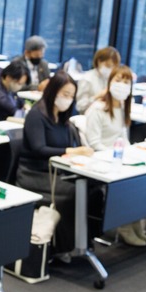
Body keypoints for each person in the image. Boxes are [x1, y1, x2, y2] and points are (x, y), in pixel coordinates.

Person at [17, 72, 93, 251]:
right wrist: (71, 151)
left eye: (71, 96)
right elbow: (39, 149)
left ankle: (81, 241)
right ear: (53, 91)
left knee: (92, 187)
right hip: (34, 174)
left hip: (58, 171)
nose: (68, 99)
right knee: (75, 192)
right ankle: (67, 246)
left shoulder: (64, 119)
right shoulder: (36, 115)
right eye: (64, 94)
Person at [82, 65, 146, 247]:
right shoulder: (98, 108)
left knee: (142, 176)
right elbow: (94, 143)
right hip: (101, 159)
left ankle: (135, 224)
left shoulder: (122, 107)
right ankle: (125, 226)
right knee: (129, 182)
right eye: (118, 80)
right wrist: (115, 156)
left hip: (117, 158)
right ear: (109, 82)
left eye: (126, 82)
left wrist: (131, 154)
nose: (121, 85)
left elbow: (123, 138)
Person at [75, 47, 122, 114]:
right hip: (89, 117)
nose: (111, 69)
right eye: (108, 66)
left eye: (114, 67)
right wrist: (97, 97)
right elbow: (80, 107)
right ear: (99, 61)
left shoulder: (112, 79)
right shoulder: (87, 78)